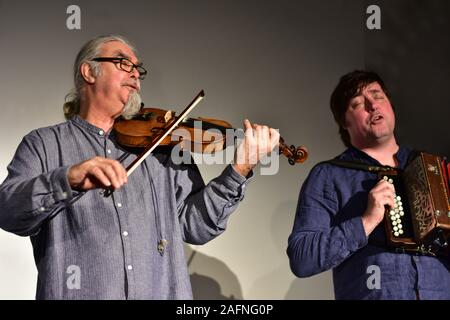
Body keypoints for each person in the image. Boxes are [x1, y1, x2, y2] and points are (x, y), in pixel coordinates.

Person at [0, 35, 279, 299]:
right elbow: (7, 211)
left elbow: (196, 226)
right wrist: (67, 179)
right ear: (89, 72)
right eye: (123, 63)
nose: (135, 73)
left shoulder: (162, 147)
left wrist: (239, 169)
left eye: (138, 69)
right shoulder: (43, 144)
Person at [287, 70, 450, 299]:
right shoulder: (329, 175)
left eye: (378, 95)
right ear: (344, 121)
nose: (372, 105)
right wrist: (366, 222)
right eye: (358, 103)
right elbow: (302, 258)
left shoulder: (436, 168)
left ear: (390, 105)